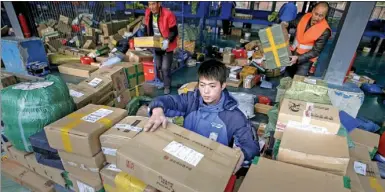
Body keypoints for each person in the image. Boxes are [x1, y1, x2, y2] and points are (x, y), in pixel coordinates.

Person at [144, 59, 260, 173]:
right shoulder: (191, 101)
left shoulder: (234, 116)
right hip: (184, 159)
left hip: (211, 168)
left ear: (223, 85)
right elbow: (167, 101)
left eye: (212, 86)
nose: (206, 91)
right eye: (202, 85)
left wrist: (243, 153)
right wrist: (157, 110)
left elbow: (251, 145)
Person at [282, 1, 331, 77]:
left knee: (298, 82)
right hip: (293, 54)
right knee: (286, 78)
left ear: (325, 15)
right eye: (316, 14)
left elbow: (316, 51)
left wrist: (298, 58)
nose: (317, 18)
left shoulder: (325, 30)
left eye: (321, 16)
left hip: (306, 61)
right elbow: (294, 23)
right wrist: (286, 23)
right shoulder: (305, 17)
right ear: (313, 10)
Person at [143, 2, 178, 94]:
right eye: (149, 4)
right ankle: (163, 82)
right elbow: (147, 26)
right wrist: (145, 38)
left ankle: (167, 86)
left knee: (165, 68)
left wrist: (168, 40)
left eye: (153, 4)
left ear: (159, 4)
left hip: (167, 46)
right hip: (156, 45)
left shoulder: (168, 14)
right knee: (158, 66)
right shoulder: (148, 12)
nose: (151, 7)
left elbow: (174, 31)